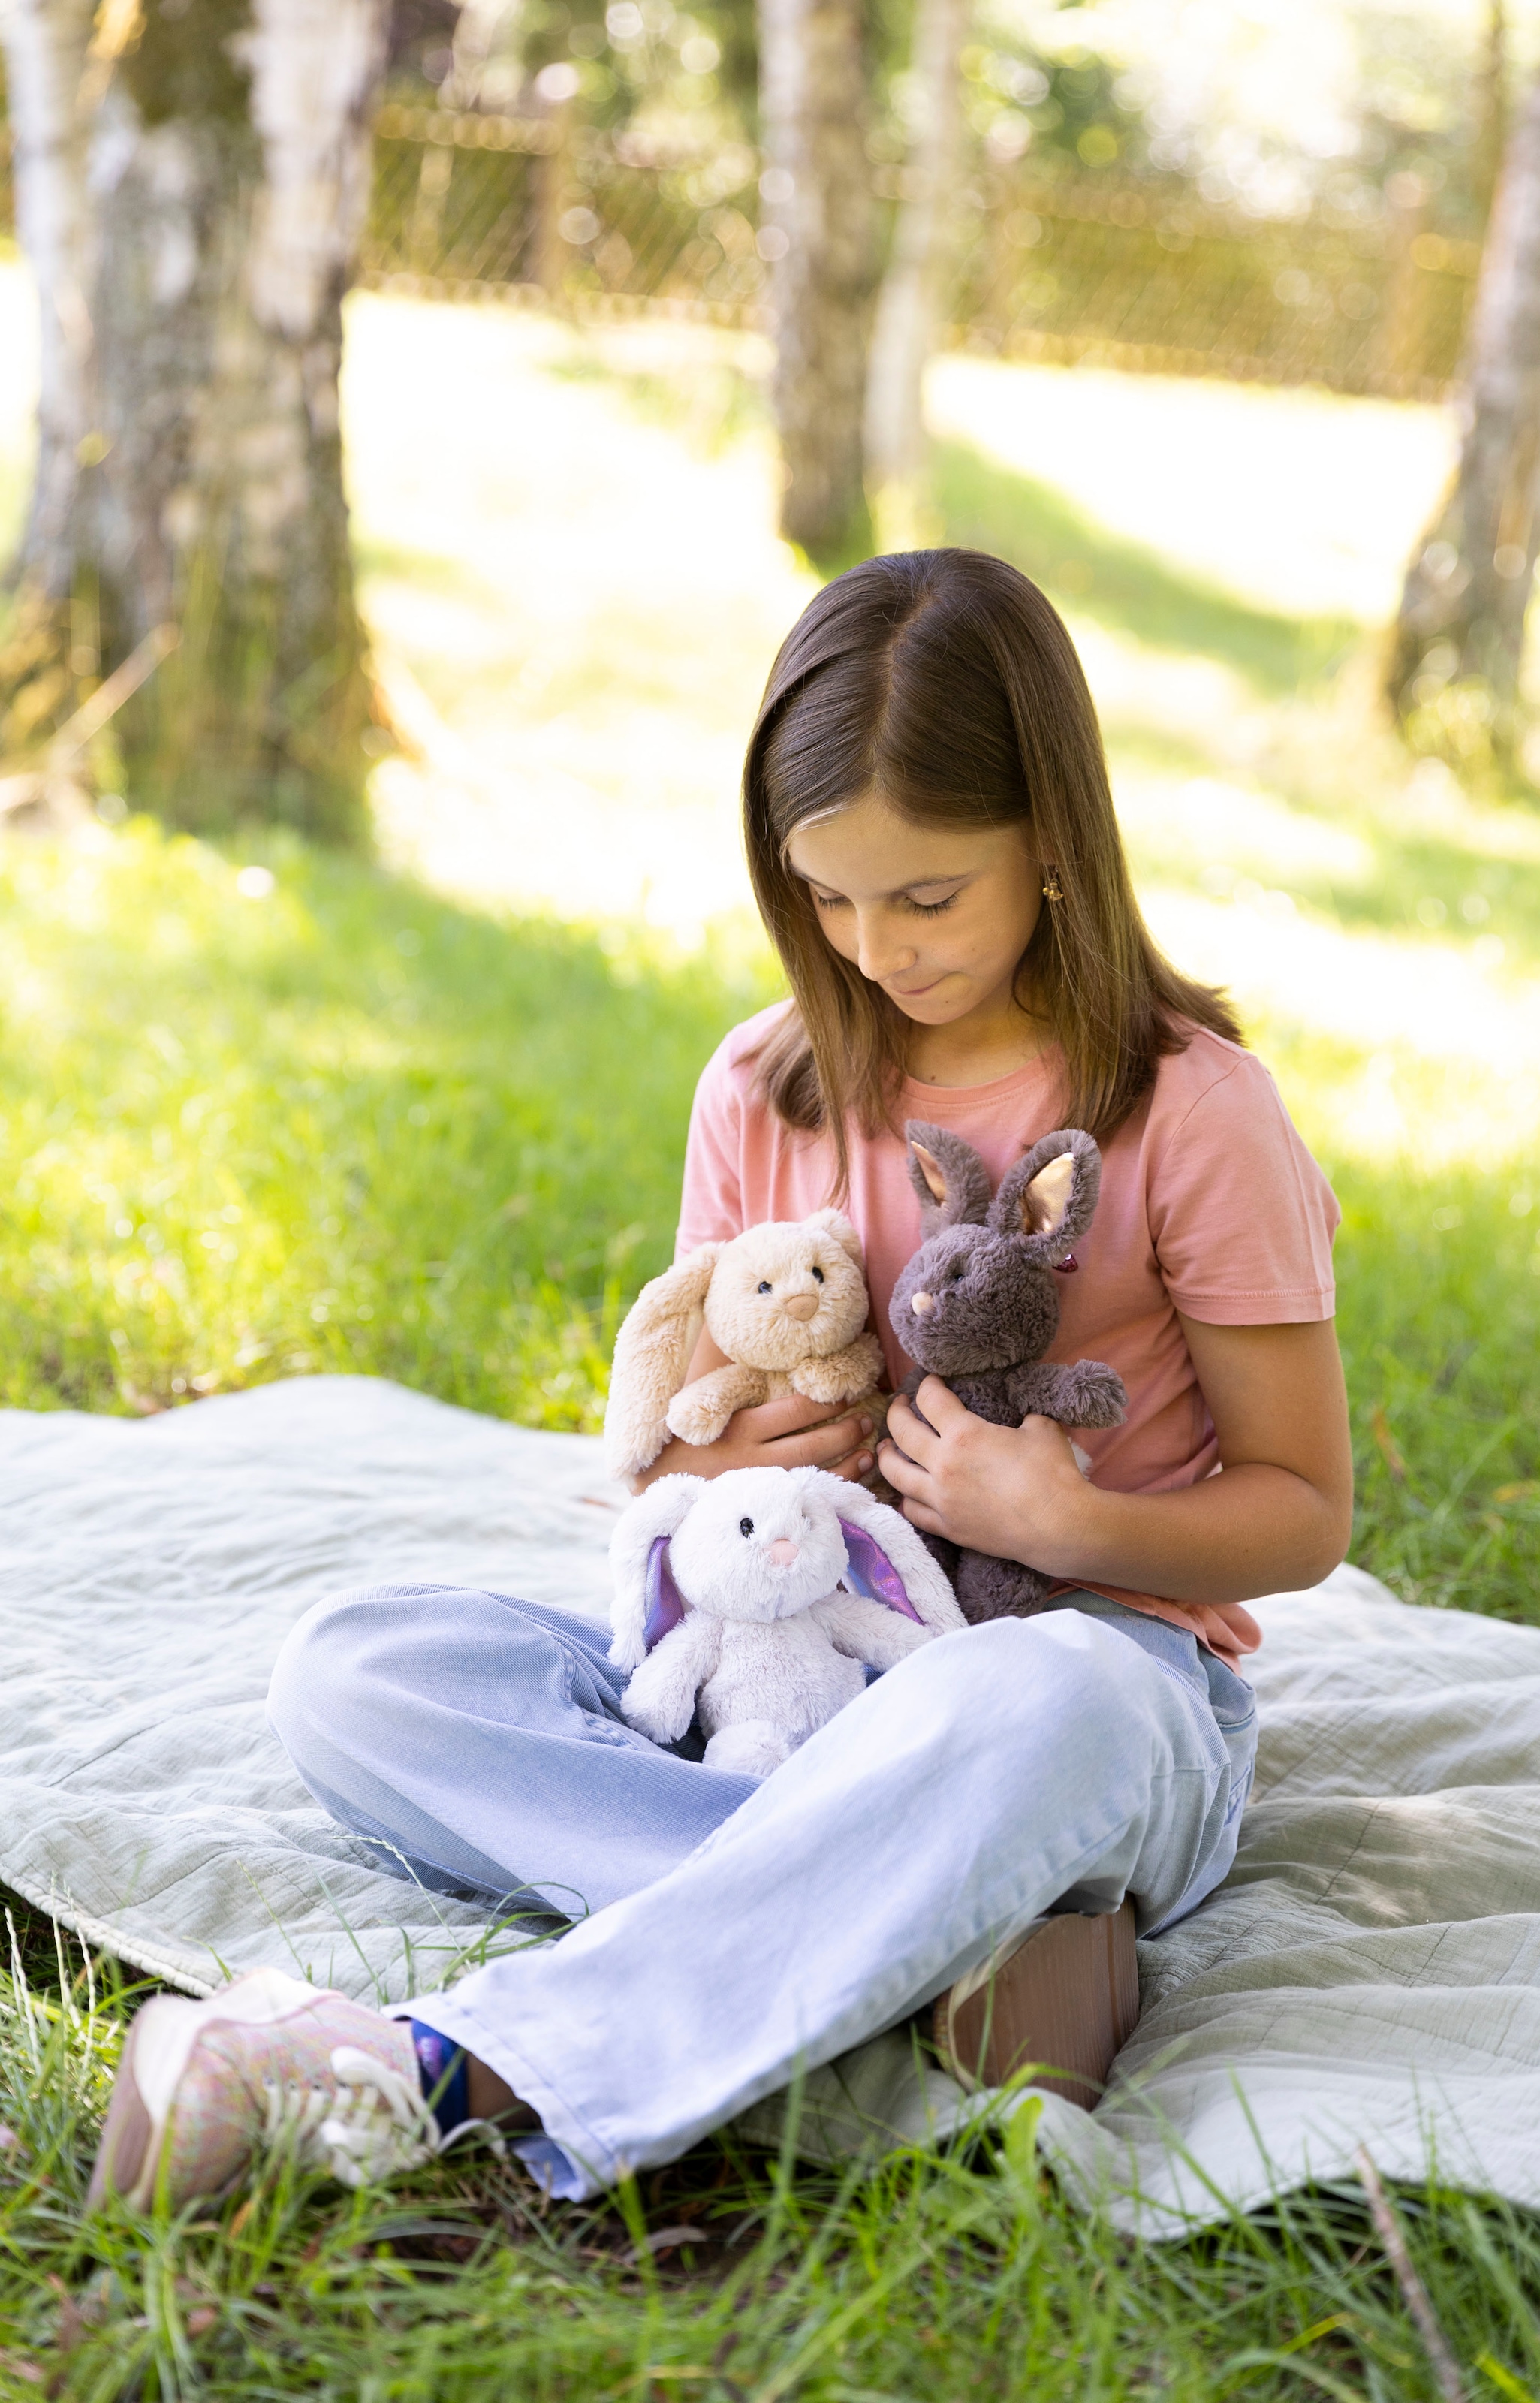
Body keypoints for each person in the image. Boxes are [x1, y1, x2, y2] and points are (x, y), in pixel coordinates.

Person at [86, 550, 1352, 2215]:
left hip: (1088, 1680)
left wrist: (1069, 1511)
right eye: (826, 896)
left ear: (1051, 840)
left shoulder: (1190, 1110)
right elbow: (669, 1471)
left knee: (1036, 1701)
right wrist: (716, 1468)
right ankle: (953, 1932)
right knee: (358, 1668)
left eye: (925, 896)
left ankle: (429, 2066)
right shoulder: (764, 1084)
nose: (873, 945)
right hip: (774, 1680)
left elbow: (1304, 1513)